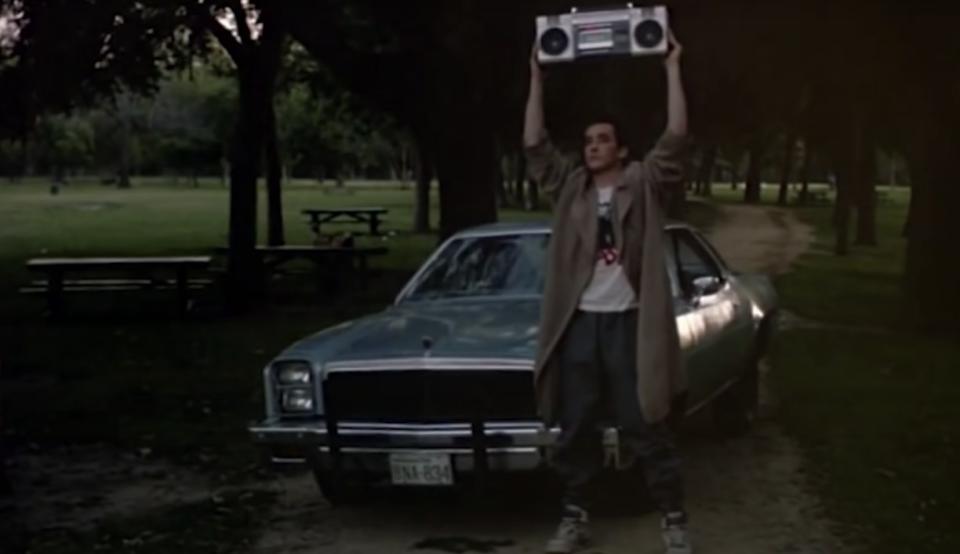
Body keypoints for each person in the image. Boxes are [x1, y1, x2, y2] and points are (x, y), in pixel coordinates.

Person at [524, 30, 692, 554]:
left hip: (628, 322)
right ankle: (576, 517)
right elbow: (534, 144)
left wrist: (671, 68)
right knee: (576, 427)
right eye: (588, 140)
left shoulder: (643, 181)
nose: (591, 146)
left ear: (620, 148)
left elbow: (677, 137)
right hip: (581, 324)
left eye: (602, 140)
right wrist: (535, 78)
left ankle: (673, 518)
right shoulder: (570, 188)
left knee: (646, 423)